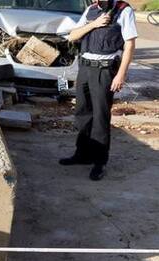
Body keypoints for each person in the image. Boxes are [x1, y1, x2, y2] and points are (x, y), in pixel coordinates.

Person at [60, 0, 137, 181]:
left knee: (100, 117)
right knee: (82, 113)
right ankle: (82, 154)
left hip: (104, 70)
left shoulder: (123, 10)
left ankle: (99, 162)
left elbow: (130, 45)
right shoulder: (91, 10)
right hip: (85, 68)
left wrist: (121, 75)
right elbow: (72, 36)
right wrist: (94, 24)